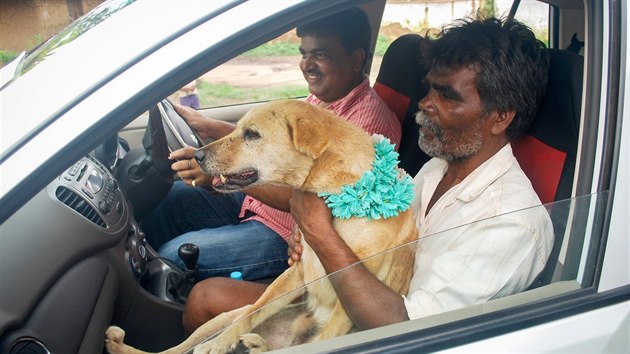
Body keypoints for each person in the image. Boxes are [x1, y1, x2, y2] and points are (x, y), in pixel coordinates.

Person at [183, 17, 555, 334]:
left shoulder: (508, 222)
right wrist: (312, 244)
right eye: (429, 89)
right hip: (342, 299)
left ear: (501, 117)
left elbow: (405, 329)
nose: (425, 103)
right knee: (206, 299)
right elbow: (376, 233)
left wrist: (321, 235)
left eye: (448, 96)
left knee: (207, 300)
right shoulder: (439, 168)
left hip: (373, 331)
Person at [139, 8, 401, 329]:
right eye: (304, 53)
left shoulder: (367, 128)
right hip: (260, 206)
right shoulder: (323, 100)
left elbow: (316, 204)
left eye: (321, 54)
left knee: (173, 255)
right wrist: (211, 127)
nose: (307, 64)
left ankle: (153, 325)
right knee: (176, 198)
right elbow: (270, 144)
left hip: (286, 237)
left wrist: (222, 177)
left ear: (357, 59)